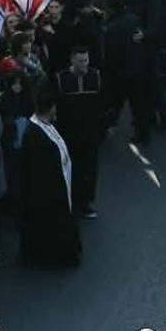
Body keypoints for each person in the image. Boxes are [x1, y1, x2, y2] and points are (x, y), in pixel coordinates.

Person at [18, 91, 81, 267]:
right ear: (50, 108)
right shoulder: (35, 134)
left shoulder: (45, 126)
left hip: (56, 185)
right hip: (46, 192)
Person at [56, 43, 106, 220]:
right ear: (72, 61)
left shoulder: (96, 77)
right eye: (80, 61)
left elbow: (103, 105)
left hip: (90, 133)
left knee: (90, 169)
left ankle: (87, 201)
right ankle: (72, 200)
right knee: (72, 168)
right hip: (69, 134)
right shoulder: (61, 79)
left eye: (86, 60)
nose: (84, 64)